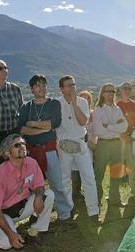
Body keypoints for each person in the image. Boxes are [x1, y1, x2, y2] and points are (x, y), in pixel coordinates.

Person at [16, 74, 72, 223]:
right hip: (31, 153)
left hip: (49, 151)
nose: (41, 88)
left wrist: (33, 124)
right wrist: (43, 128)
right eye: (38, 85)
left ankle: (65, 214)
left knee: (57, 183)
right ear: (32, 89)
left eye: (43, 85)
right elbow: (20, 128)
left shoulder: (53, 104)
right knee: (32, 186)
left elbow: (55, 123)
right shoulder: (26, 107)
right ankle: (33, 215)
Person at [0, 134, 54, 250]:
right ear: (7, 153)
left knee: (48, 195)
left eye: (23, 144)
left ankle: (34, 233)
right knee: (7, 243)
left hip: (20, 207)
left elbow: (40, 186)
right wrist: (11, 235)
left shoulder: (31, 163)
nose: (22, 147)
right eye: (17, 145)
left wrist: (38, 196)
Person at [55, 76, 100, 224]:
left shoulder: (82, 102)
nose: (72, 88)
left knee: (89, 178)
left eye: (73, 84)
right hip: (63, 147)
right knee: (64, 179)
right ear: (61, 89)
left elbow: (82, 122)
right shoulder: (56, 104)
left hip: (81, 145)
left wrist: (74, 103)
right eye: (68, 85)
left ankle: (93, 211)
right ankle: (68, 209)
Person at [92, 83, 128, 207]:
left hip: (117, 145)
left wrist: (108, 126)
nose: (111, 94)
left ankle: (114, 200)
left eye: (113, 91)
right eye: (108, 91)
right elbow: (98, 131)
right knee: (98, 175)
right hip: (103, 145)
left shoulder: (117, 109)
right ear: (102, 93)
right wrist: (116, 127)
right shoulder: (98, 111)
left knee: (116, 173)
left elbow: (125, 127)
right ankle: (96, 202)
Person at [116, 82, 135, 199]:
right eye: (124, 88)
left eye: (129, 89)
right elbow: (113, 124)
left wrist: (132, 137)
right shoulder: (115, 105)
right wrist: (123, 136)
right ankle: (114, 193)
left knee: (133, 167)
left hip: (132, 139)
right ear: (120, 90)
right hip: (119, 140)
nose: (127, 90)